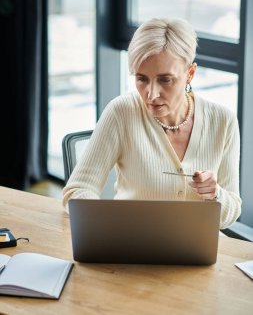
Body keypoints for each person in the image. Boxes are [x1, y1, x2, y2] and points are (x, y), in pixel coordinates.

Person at [62, 17, 241, 229]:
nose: (152, 94)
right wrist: (108, 225)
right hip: (131, 249)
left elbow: (231, 212)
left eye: (165, 80)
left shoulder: (223, 121)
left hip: (198, 255)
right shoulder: (122, 113)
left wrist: (215, 194)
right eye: (142, 79)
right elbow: (77, 190)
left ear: (190, 74)